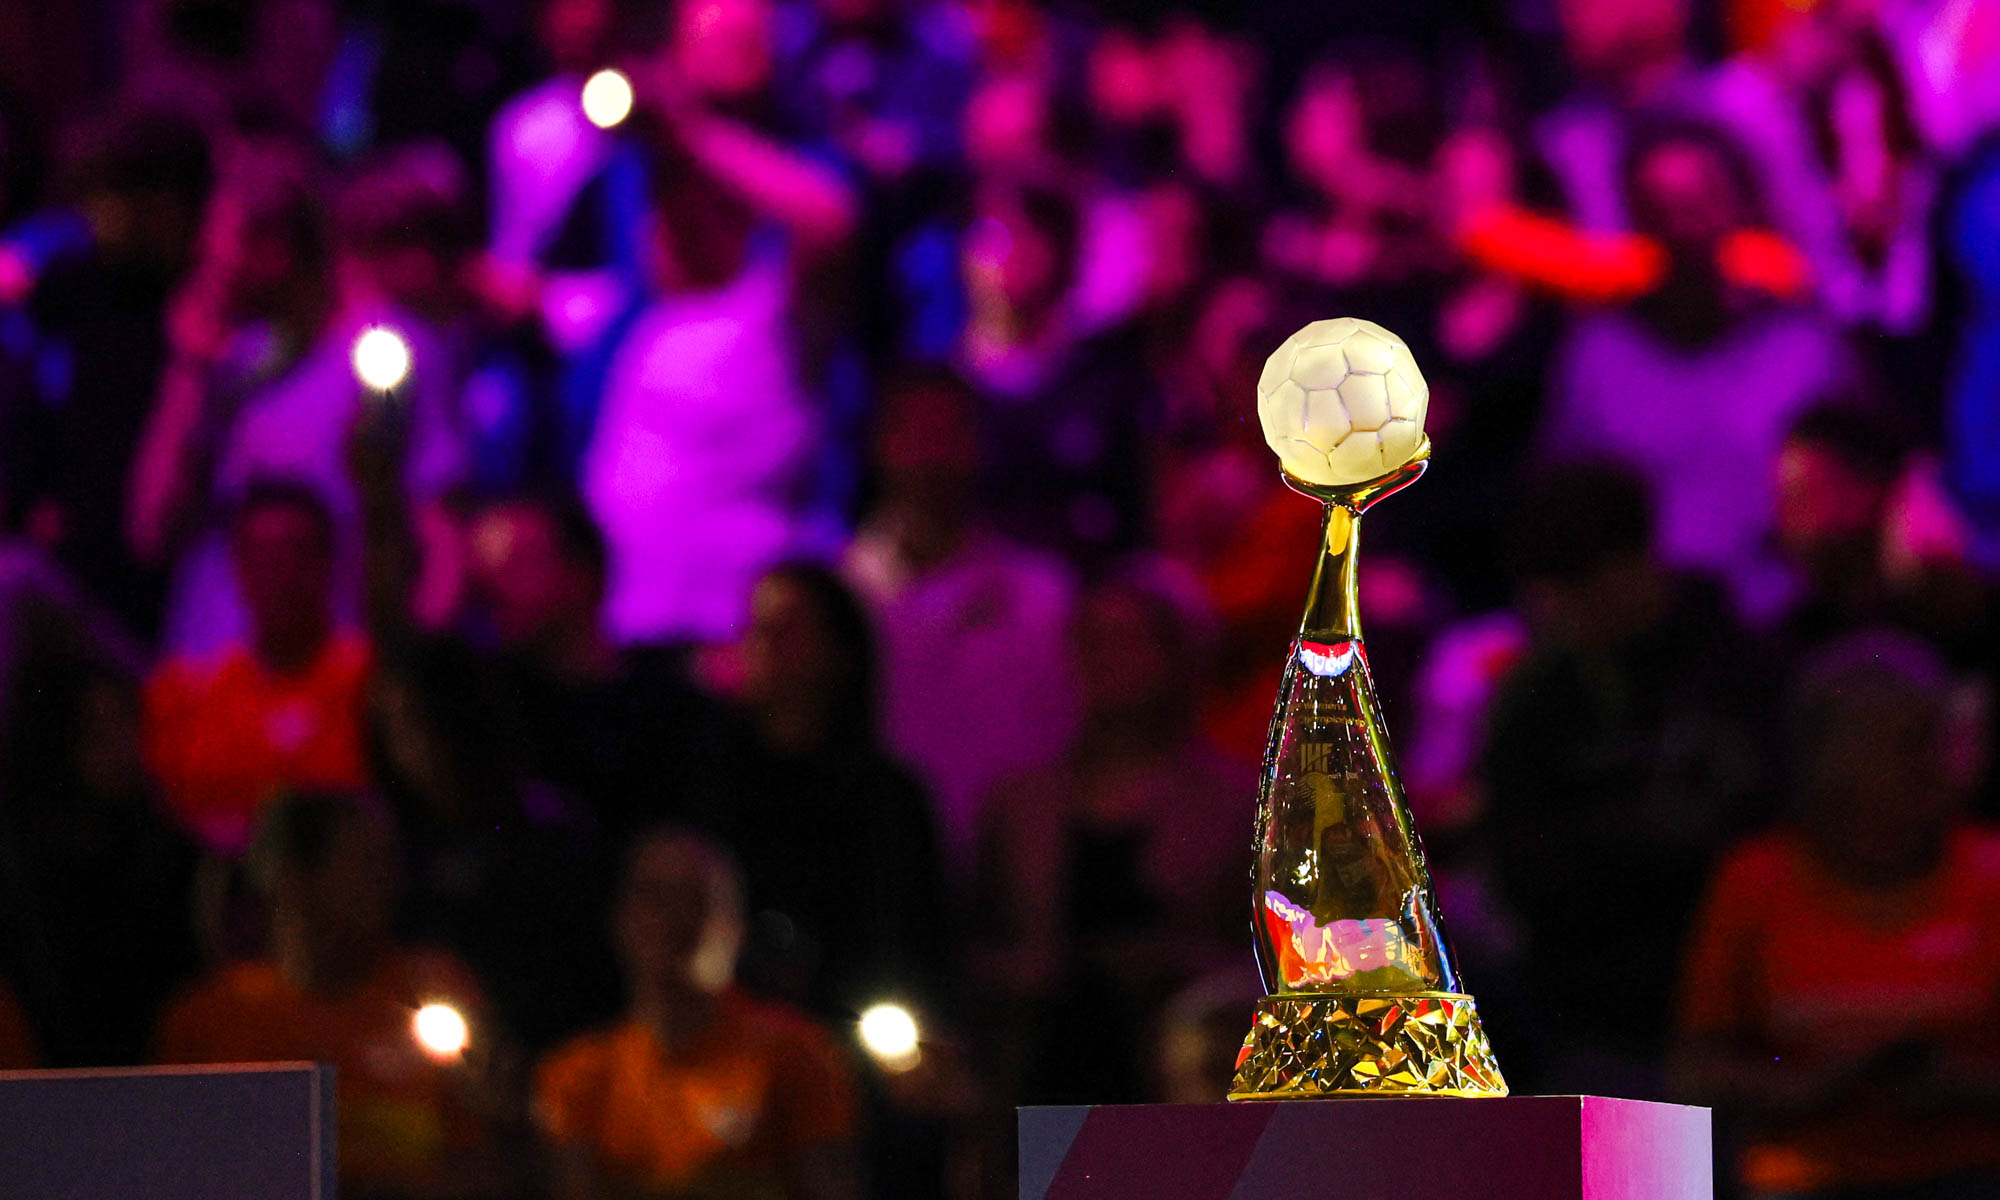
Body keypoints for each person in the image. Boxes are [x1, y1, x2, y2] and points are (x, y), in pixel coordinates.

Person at [1480, 461, 1776, 1097]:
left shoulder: (1734, 666)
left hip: (1731, 998)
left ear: (1637, 559)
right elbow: (1520, 857)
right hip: (1598, 1008)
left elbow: (1754, 824)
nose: (1569, 608)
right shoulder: (1539, 696)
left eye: (1583, 583)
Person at [1674, 632, 2000, 1199]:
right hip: (1801, 1174)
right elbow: (1695, 1070)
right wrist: (1803, 1088)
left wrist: (1959, 1084)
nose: (1936, 763)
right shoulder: (1755, 883)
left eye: (1940, 738)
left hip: (1974, 1170)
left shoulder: (1990, 873)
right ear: (1824, 759)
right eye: (1906, 742)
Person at [579, 0, 859, 645]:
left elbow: (829, 222)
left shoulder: (781, 289)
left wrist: (691, 128)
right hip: (632, 596)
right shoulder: (644, 301)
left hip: (738, 605)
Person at [972, 565, 1248, 1105]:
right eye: (1092, 642)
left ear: (1177, 657)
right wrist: (1028, 972)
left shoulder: (1236, 805)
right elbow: (975, 943)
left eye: (1128, 642)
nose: (1106, 661)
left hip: (1184, 1083)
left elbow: (1271, 959)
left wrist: (1177, 965)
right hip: (1038, 1072)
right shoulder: (1018, 804)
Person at [156, 791, 511, 1200]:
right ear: (293, 879)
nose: (387, 883)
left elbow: (492, 1166)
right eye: (364, 865)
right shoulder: (209, 1020)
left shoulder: (436, 991)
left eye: (387, 864)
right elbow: (173, 1172)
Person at [535, 828, 862, 1200]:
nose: (676, 920)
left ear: (737, 927)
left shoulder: (796, 1053)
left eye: (698, 899)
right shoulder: (575, 1073)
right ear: (620, 920)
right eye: (654, 897)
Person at [842, 370, 1076, 878]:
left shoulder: (1042, 596)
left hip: (1013, 869)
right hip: (874, 866)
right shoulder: (841, 598)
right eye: (915, 433)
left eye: (947, 432)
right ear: (880, 445)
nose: (932, 455)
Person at [706, 563, 948, 1023]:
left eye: (785, 630)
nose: (761, 644)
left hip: (844, 1028)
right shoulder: (703, 780)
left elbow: (912, 938)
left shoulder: (886, 798)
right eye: (755, 627)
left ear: (839, 655)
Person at [144, 480, 371, 857]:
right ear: (237, 565)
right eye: (262, 555)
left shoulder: (369, 682)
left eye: (295, 553)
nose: (280, 573)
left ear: (328, 562)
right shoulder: (185, 691)